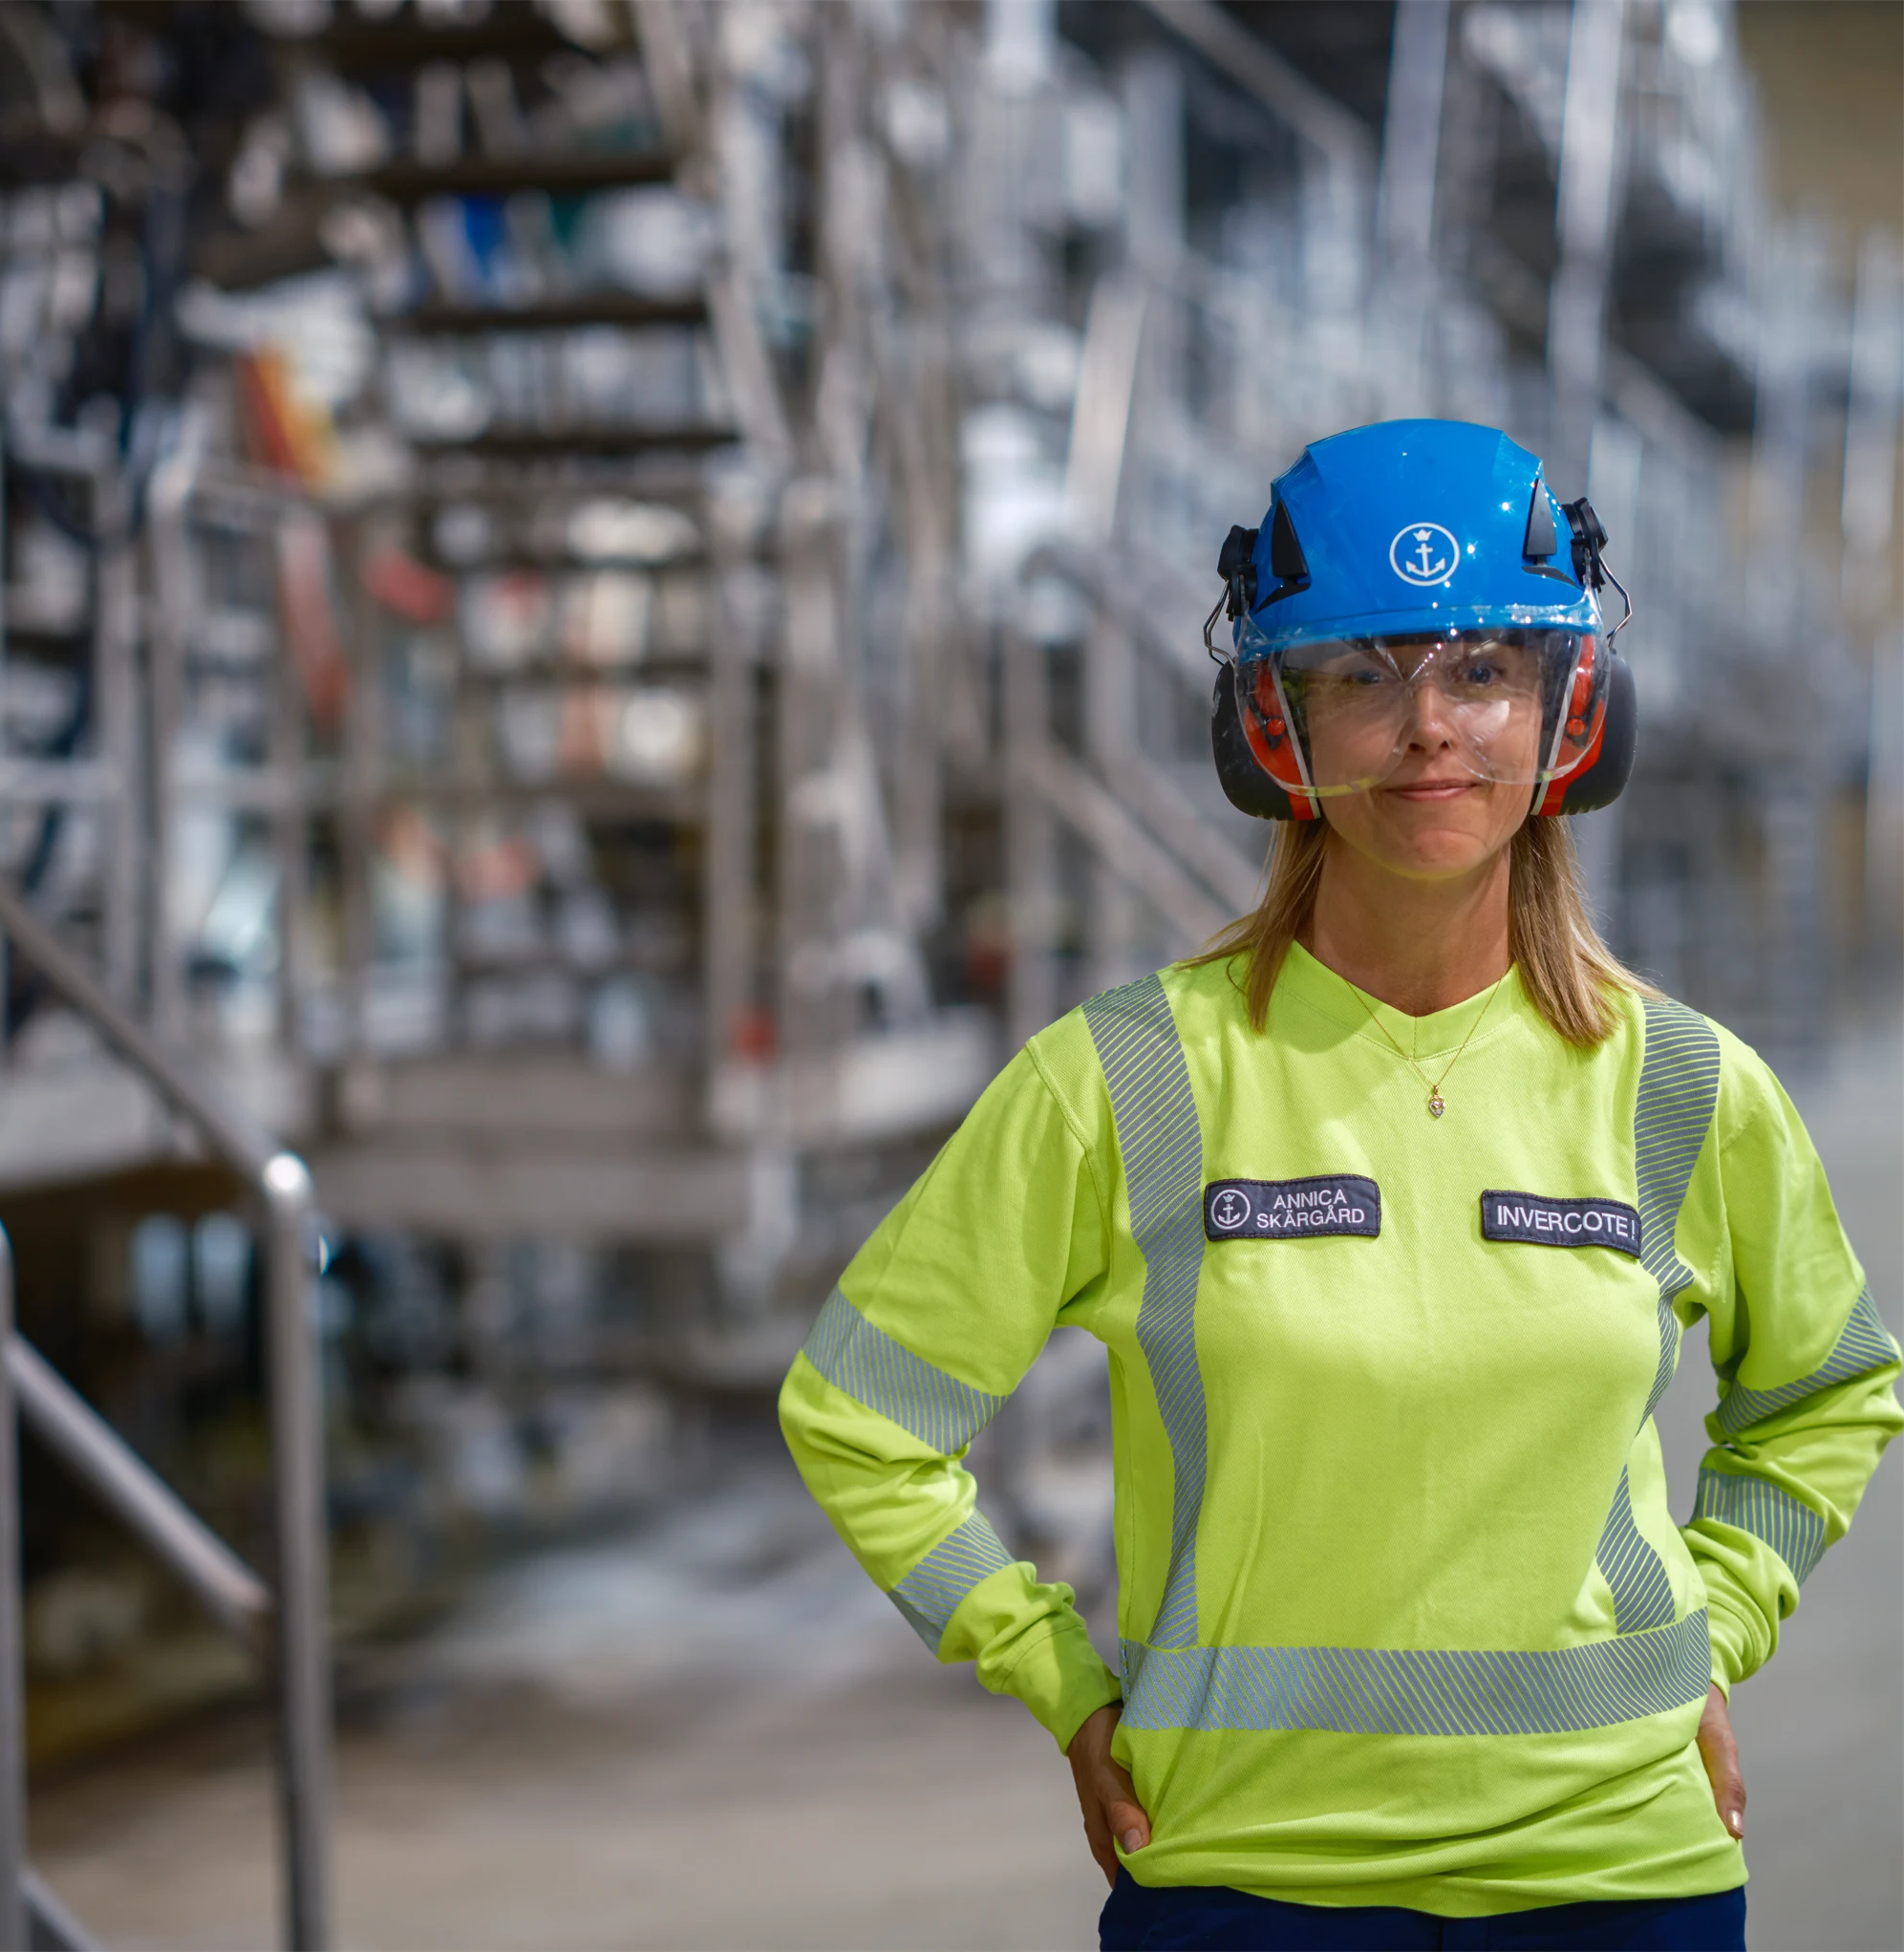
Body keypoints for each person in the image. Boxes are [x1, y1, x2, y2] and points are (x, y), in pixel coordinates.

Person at [778, 419, 1902, 1949]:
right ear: (1271, 726)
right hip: (1248, 1879)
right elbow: (861, 1414)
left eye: (1484, 668)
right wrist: (1055, 1678)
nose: (1429, 726)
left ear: (1573, 708)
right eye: (1360, 676)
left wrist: (1717, 1625)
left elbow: (1832, 1389)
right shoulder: (1127, 1081)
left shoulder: (1688, 1087)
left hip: (1620, 1878)